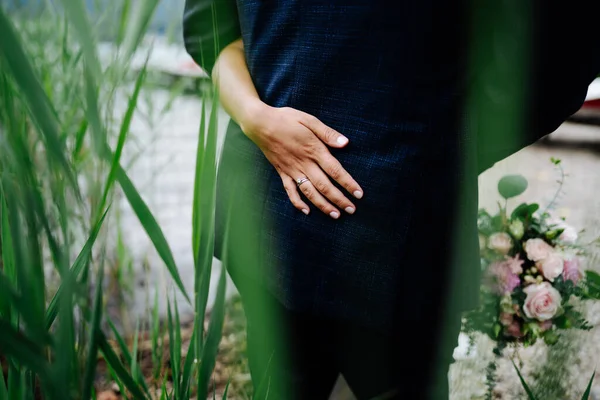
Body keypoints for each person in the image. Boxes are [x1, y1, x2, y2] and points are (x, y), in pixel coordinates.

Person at [183, 1, 600, 398]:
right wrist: (257, 118)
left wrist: (448, 147)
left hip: (338, 221)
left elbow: (565, 43)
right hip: (309, 221)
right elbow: (212, 27)